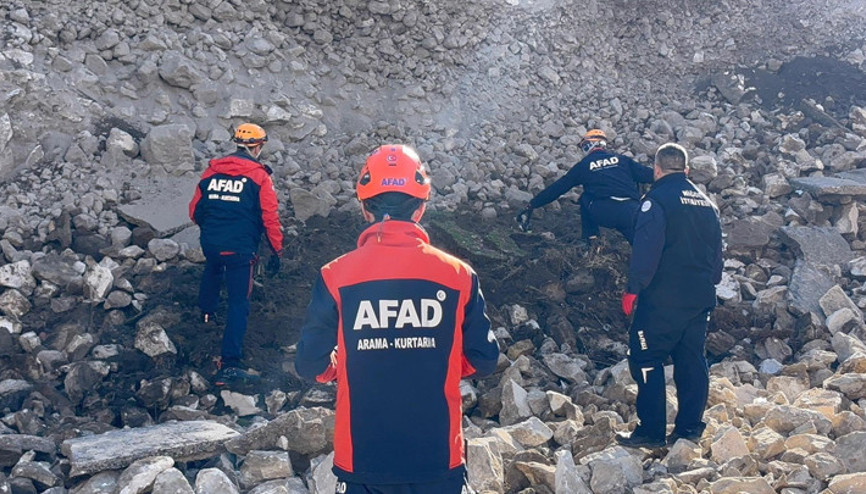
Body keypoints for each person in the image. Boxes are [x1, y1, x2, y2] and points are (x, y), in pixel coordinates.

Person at [295, 144, 500, 494]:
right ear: (420, 208)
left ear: (364, 208)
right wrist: (441, 359)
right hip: (437, 460)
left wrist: (342, 366)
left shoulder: (335, 275)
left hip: (363, 463)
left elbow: (308, 364)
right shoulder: (459, 275)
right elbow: (485, 359)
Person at [616, 142, 723, 448]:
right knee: (691, 359)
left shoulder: (656, 200)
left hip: (663, 299)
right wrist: (710, 283)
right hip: (700, 298)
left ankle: (650, 431)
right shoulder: (707, 203)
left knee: (645, 356)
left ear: (657, 170)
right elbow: (717, 255)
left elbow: (647, 249)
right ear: (687, 170)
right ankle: (688, 430)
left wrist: (633, 289)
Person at [188, 123, 283, 386]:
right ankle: (230, 363)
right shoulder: (259, 177)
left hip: (212, 243)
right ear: (258, 146)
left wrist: (213, 229)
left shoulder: (211, 172)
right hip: (241, 250)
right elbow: (270, 217)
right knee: (239, 302)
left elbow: (195, 210)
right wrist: (276, 249)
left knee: (213, 267)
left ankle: (206, 314)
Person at [516, 129, 653, 244]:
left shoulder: (584, 165)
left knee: (585, 198)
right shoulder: (623, 160)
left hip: (604, 212)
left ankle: (592, 241)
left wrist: (533, 204)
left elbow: (558, 188)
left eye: (584, 146)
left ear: (590, 145)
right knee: (643, 249)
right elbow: (651, 176)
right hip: (632, 211)